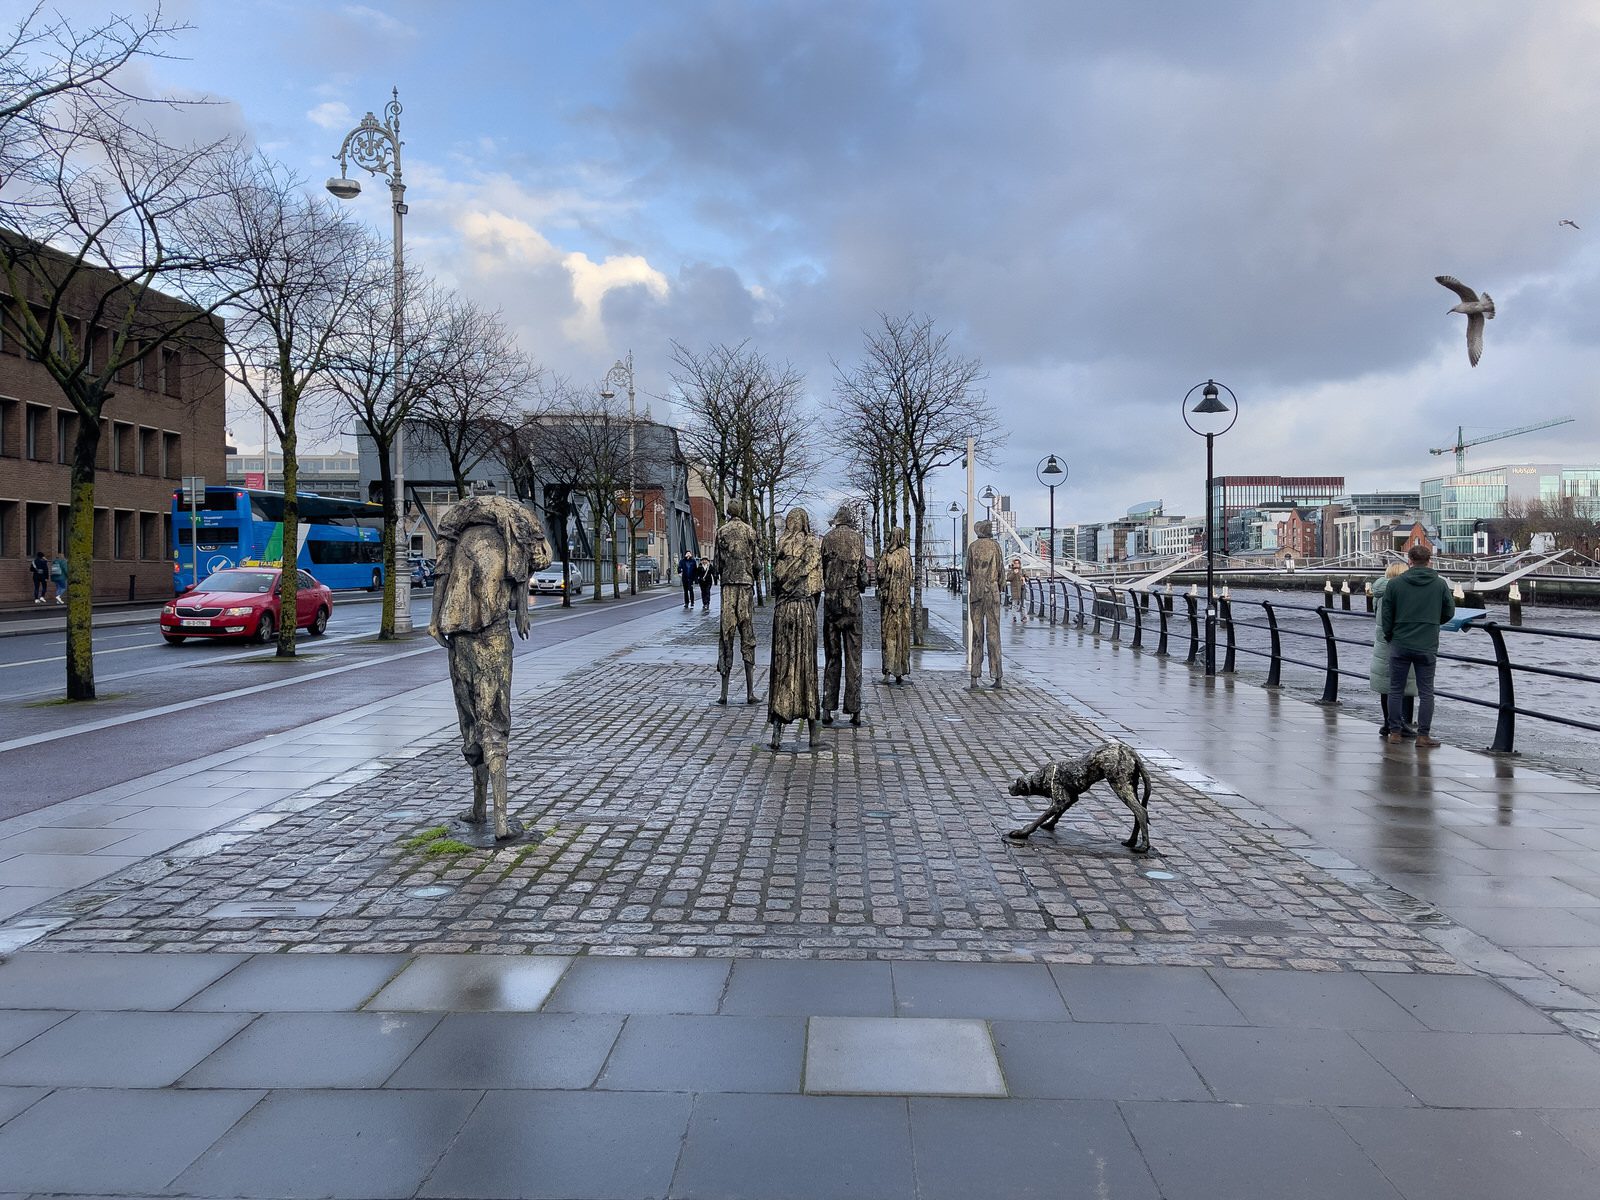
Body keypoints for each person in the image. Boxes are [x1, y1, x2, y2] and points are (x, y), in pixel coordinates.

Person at [1380, 542, 1455, 748]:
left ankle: (1394, 732)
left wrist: (1391, 635)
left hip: (1400, 642)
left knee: (1395, 689)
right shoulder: (1439, 584)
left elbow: (1387, 615)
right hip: (1427, 643)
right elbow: (1449, 612)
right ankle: (1423, 736)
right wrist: (1431, 623)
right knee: (1427, 691)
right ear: (1429, 561)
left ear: (1410, 561)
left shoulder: (1394, 585)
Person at [768, 507, 822, 749]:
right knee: (807, 668)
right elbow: (817, 588)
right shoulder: (813, 545)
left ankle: (777, 733)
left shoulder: (781, 544)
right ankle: (813, 732)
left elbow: (774, 585)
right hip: (805, 611)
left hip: (783, 612)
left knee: (782, 668)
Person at [820, 504, 868, 726]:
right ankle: (855, 709)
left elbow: (821, 569)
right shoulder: (858, 538)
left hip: (831, 604)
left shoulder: (827, 539)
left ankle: (828, 708)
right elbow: (863, 575)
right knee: (854, 657)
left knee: (832, 656)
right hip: (852, 604)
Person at [713, 500, 759, 704]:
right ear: (741, 511)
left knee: (726, 636)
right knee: (747, 635)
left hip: (728, 587)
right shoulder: (750, 532)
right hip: (746, 587)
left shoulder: (721, 532)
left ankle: (724, 694)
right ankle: (750, 692)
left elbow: (716, 564)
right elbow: (757, 562)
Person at [1369, 562, 1416, 739]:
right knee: (1401, 685)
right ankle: (1399, 723)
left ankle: (1388, 722)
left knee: (1386, 685)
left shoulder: (1379, 593)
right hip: (1398, 641)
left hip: (1382, 643)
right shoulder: (1399, 593)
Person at [965, 519, 1004, 688]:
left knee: (977, 634)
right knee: (994, 633)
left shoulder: (973, 547)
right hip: (992, 592)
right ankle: (997, 676)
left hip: (976, 593)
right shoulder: (995, 547)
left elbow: (967, 573)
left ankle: (974, 677)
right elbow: (1002, 573)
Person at [878, 526, 913, 684]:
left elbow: (880, 573)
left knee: (888, 634)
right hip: (903, 601)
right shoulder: (906, 553)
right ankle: (900, 671)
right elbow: (911, 575)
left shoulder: (887, 553)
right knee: (902, 634)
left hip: (889, 601)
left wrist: (886, 586)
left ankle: (888, 670)